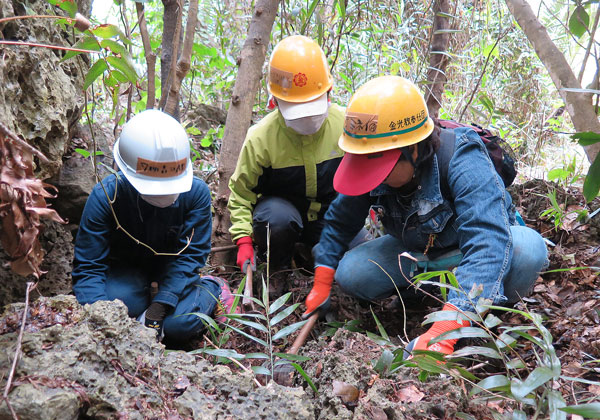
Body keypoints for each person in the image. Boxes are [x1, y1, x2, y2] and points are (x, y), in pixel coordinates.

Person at [303, 76, 548, 356]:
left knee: (528, 251)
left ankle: (484, 311)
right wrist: (322, 280)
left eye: (381, 166)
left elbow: (487, 243)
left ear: (415, 149)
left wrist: (443, 332)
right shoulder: (369, 159)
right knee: (353, 272)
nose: (374, 177)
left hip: (477, 248)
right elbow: (339, 222)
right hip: (421, 253)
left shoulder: (462, 157)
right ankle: (429, 296)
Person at [72, 109, 235, 345]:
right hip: (126, 274)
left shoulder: (195, 194)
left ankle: (214, 288)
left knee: (179, 326)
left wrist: (160, 306)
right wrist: (101, 320)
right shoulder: (107, 197)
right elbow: (89, 267)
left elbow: (191, 257)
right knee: (123, 305)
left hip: (176, 275)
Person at [228, 35, 366, 292]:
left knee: (360, 258)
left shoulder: (346, 125)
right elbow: (240, 194)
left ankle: (316, 255)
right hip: (282, 217)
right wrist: (244, 240)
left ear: (329, 93)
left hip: (332, 217)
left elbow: (364, 179)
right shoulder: (261, 138)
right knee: (276, 219)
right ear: (274, 102)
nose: (306, 119)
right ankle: (279, 268)